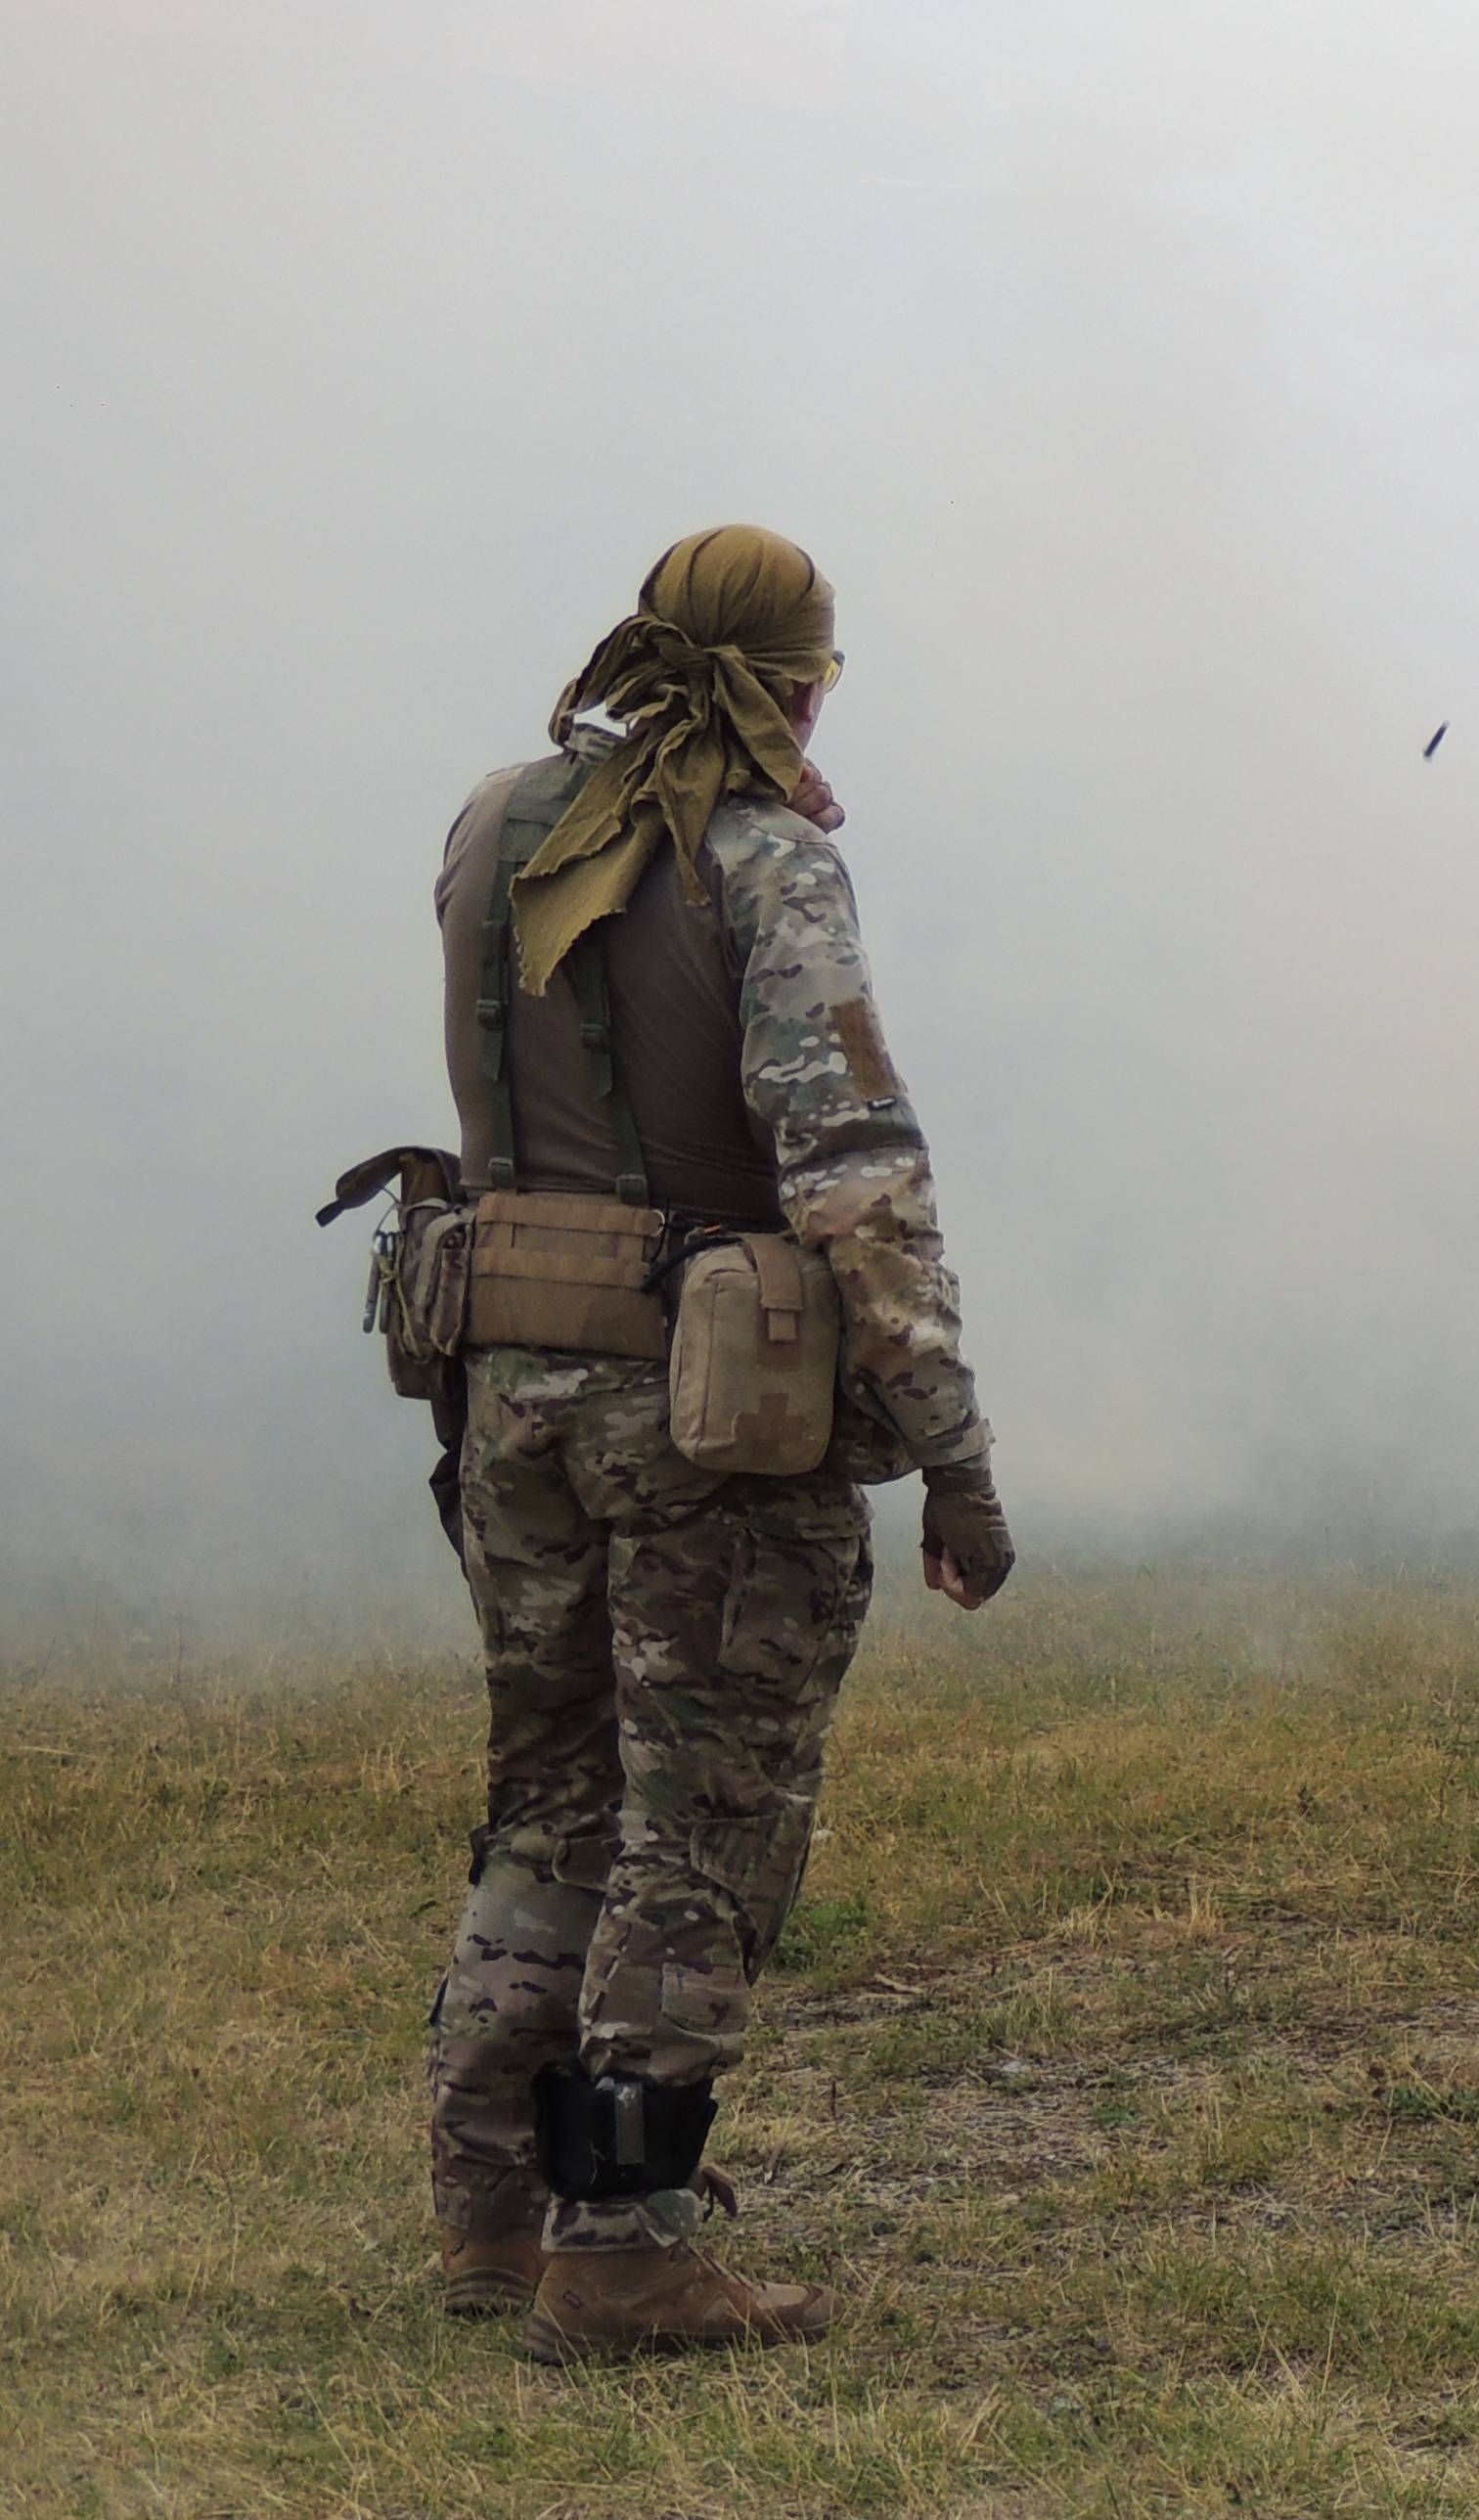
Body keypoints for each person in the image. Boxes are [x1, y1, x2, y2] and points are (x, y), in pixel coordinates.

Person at [418, 526, 1012, 2365]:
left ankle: (491, 2210)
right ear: (797, 674)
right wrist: (954, 1451)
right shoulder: (766, 858)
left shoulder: (499, 819)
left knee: (550, 1799)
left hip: (510, 1389)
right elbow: (850, 1167)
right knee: (703, 1827)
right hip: (706, 1425)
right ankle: (625, 2244)